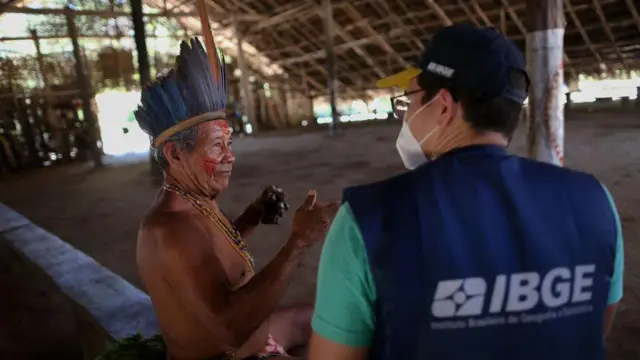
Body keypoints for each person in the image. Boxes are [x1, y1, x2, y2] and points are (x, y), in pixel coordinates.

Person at [307, 24, 624, 360]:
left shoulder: (368, 219)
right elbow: (594, 327)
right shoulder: (595, 201)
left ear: (443, 106)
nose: (406, 115)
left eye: (409, 100)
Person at [134, 37, 338, 360]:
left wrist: (253, 216)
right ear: (174, 154)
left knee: (324, 321)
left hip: (254, 342)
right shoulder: (168, 230)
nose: (230, 157)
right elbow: (228, 328)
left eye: (229, 144)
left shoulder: (193, 196)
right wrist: (298, 242)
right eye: (217, 147)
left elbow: (212, 259)